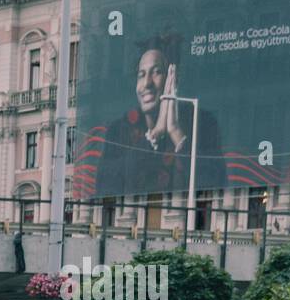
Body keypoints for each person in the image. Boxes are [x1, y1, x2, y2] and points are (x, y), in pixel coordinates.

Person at [91, 39, 224, 199]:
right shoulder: (118, 129)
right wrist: (154, 135)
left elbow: (213, 182)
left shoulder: (204, 122)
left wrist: (175, 131)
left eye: (156, 72)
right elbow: (105, 186)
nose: (147, 83)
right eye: (141, 75)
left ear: (173, 79)